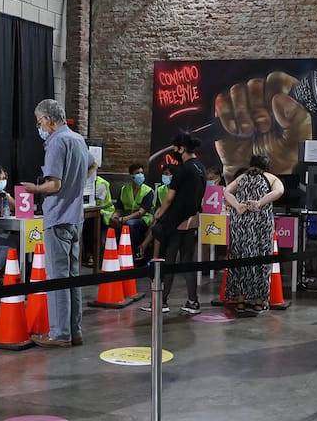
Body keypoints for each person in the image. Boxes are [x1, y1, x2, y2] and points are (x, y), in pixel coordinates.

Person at [21, 99, 91, 348]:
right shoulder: (78, 140)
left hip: (58, 216)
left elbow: (55, 184)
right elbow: (93, 165)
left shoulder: (56, 143)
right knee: (72, 277)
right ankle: (74, 330)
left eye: (39, 122)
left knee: (57, 278)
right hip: (75, 217)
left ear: (48, 120)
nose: (39, 127)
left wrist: (34, 188)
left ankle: (60, 333)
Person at [141, 133, 206, 314]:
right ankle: (193, 301)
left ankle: (162, 302)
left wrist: (159, 214)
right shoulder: (200, 168)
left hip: (177, 221)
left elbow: (169, 198)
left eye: (175, 149)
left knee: (168, 261)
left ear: (182, 148)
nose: (174, 152)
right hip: (192, 220)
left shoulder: (182, 170)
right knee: (187, 261)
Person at [222, 154, 284, 313]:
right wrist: (259, 203)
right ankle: (259, 302)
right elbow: (279, 192)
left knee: (241, 260)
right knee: (261, 261)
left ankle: (241, 302)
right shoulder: (270, 177)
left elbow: (226, 191)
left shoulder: (242, 177)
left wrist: (237, 206)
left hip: (240, 224)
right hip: (260, 225)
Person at [110, 163, 155, 258]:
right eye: (137, 173)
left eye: (142, 173)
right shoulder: (124, 189)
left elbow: (141, 212)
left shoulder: (148, 191)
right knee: (112, 225)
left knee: (130, 224)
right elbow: (119, 208)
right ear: (131, 175)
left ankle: (134, 252)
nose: (140, 175)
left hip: (143, 219)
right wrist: (114, 216)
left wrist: (124, 219)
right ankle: (115, 252)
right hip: (126, 217)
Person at [82, 158, 114, 268]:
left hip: (104, 214)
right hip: (89, 212)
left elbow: (96, 202)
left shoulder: (101, 183)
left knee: (90, 225)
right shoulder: (84, 181)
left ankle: (91, 255)